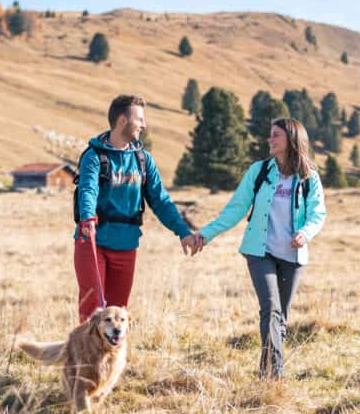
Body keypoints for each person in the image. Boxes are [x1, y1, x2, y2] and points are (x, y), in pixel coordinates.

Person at [193, 117, 326, 379]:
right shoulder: (259, 171)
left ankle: (267, 370)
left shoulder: (309, 177)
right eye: (270, 135)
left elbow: (317, 214)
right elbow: (236, 209)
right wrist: (206, 234)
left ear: (291, 139)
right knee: (271, 309)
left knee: (280, 318)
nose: (270, 139)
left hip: (293, 255)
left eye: (276, 135)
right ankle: (274, 375)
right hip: (259, 251)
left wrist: (305, 233)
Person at [74, 94, 199, 322]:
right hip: (93, 241)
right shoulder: (94, 157)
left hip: (127, 244)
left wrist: (183, 232)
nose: (144, 125)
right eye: (140, 119)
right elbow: (88, 190)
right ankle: (86, 357)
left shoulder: (143, 160)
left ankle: (113, 358)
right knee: (93, 311)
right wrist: (87, 218)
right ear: (123, 121)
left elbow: (161, 200)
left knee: (118, 314)